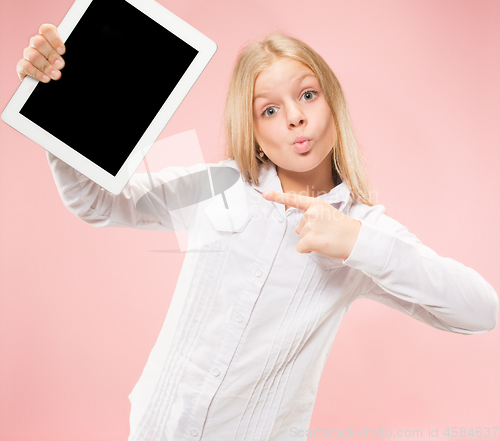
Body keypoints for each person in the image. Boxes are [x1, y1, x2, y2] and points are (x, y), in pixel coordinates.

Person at [17, 24, 499, 441]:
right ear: (251, 129)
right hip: (155, 427)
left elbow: (481, 311)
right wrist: (54, 99)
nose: (294, 117)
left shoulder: (362, 229)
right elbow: (96, 202)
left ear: (333, 103)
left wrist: (357, 244)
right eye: (269, 110)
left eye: (308, 95)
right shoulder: (219, 183)